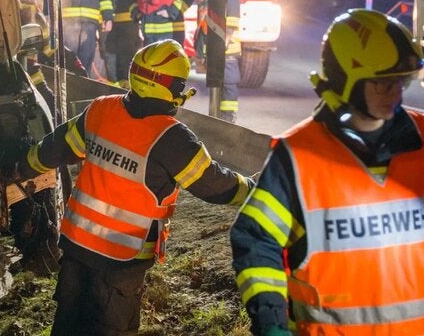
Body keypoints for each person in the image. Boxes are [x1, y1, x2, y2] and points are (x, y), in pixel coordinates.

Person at [230, 9, 424, 336]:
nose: (395, 93)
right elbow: (256, 237)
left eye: (400, 81)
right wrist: (271, 322)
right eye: (382, 82)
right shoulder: (299, 156)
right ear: (345, 81)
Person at [19, 39, 255, 336]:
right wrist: (256, 192)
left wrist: (17, 169)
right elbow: (214, 185)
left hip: (77, 247)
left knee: (68, 322)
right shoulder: (173, 138)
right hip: (121, 259)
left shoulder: (101, 110)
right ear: (173, 87)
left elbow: (52, 150)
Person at [195, 0, 243, 123]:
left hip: (226, 48)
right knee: (216, 86)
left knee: (228, 86)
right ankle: (217, 122)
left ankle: (228, 122)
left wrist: (224, 41)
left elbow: (232, 19)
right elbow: (202, 21)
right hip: (212, 47)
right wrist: (200, 50)